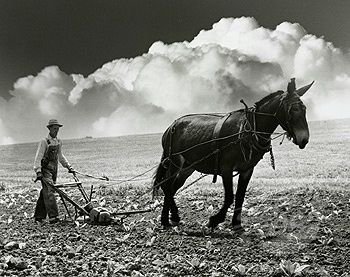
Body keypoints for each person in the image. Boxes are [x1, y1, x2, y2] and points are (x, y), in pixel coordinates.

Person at [33, 119, 75, 223]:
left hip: (54, 170)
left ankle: (39, 216)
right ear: (49, 129)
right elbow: (38, 157)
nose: (56, 131)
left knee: (45, 192)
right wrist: (38, 171)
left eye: (57, 129)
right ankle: (53, 217)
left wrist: (68, 167)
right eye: (54, 129)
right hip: (45, 170)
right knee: (49, 191)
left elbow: (60, 157)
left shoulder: (59, 141)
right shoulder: (44, 142)